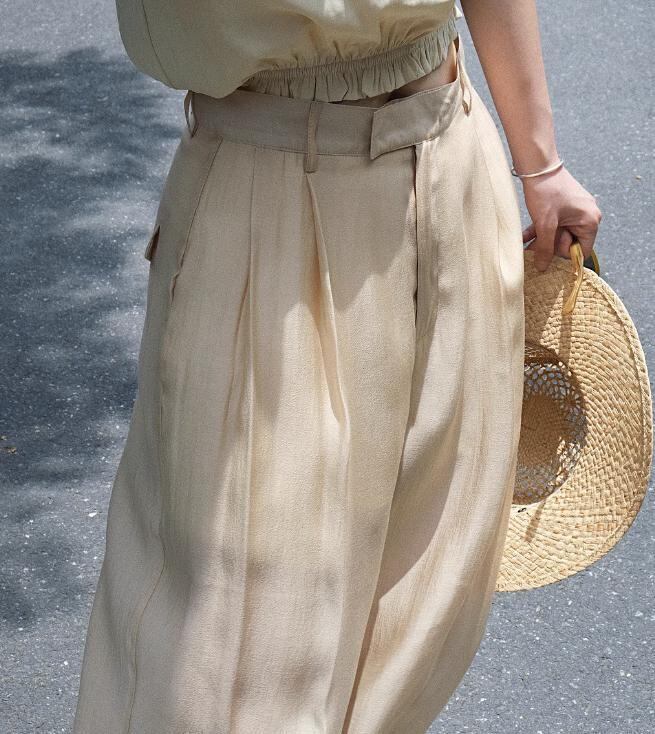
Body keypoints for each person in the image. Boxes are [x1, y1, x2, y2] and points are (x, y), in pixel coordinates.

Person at [73, 1, 601, 732]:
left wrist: (540, 162)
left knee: (420, 596)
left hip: (447, 148)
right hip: (267, 178)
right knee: (241, 622)